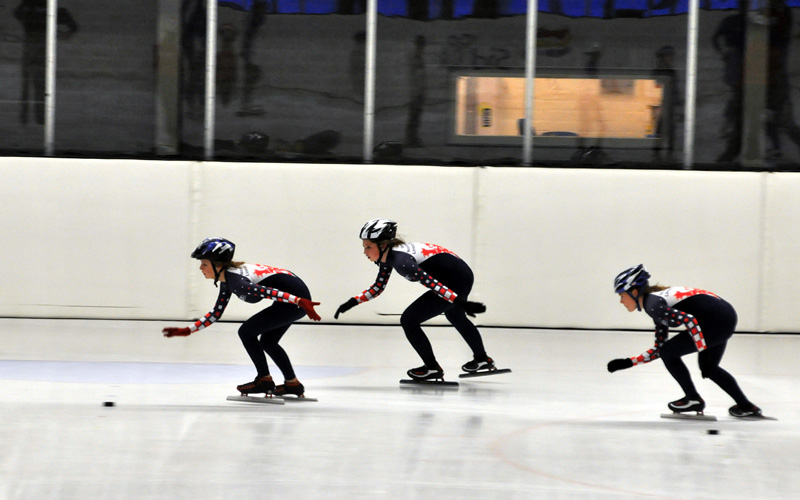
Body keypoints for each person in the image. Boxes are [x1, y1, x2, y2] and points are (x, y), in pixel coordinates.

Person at [333, 218, 494, 381]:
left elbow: (433, 284)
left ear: (382, 246)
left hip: (455, 280)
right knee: (455, 316)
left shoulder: (402, 261)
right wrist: (352, 302)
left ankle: (432, 368)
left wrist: (461, 302)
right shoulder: (389, 257)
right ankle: (482, 359)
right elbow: (378, 287)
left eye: (368, 247)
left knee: (409, 320)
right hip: (459, 275)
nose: (364, 252)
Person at [162, 237, 321, 397]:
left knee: (246, 332)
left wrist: (299, 301)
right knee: (268, 341)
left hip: (298, 301)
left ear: (218, 265)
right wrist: (188, 330)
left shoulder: (237, 281)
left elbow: (269, 292)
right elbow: (216, 313)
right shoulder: (228, 279)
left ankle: (264, 380)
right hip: (294, 300)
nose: (200, 268)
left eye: (204, 264)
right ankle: (292, 384)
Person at [608, 264, 762, 418]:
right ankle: (746, 406)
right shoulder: (655, 302)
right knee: (708, 367)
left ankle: (693, 398)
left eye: (622, 295)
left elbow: (689, 320)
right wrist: (629, 362)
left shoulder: (653, 305)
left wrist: (701, 346)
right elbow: (659, 349)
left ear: (634, 292)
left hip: (715, 320)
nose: (621, 301)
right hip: (724, 317)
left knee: (672, 353)